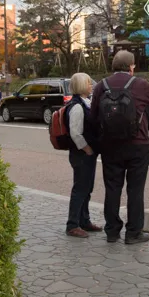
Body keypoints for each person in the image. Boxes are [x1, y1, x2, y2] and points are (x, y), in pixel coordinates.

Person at [89, 50, 149, 245]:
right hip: (138, 145)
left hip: (110, 146)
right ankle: (133, 232)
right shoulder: (140, 85)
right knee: (135, 189)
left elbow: (93, 116)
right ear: (131, 67)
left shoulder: (101, 86)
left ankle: (112, 231)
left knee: (112, 188)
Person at [65, 72, 102, 238]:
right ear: (81, 86)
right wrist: (87, 148)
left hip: (86, 154)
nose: (91, 85)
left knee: (87, 188)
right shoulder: (77, 106)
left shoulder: (84, 103)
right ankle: (73, 224)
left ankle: (84, 220)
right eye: (88, 83)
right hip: (81, 154)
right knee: (80, 188)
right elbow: (75, 132)